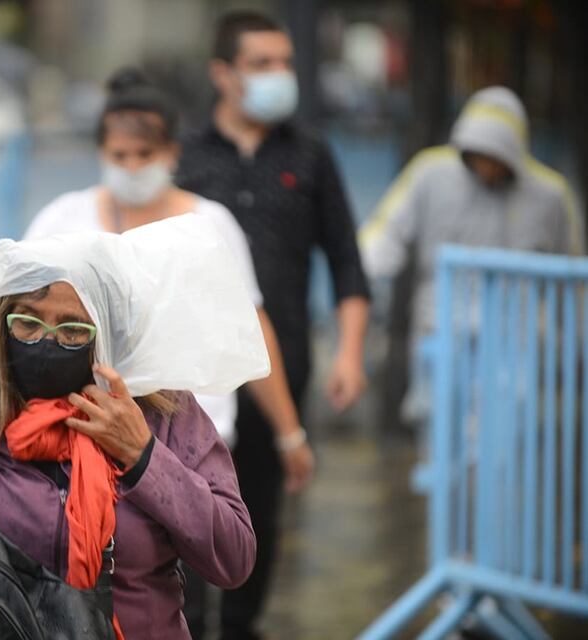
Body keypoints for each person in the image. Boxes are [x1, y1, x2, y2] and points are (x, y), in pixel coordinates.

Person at [0, 215, 264, 639]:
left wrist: (143, 456)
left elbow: (233, 559)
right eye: (28, 323)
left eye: (74, 331)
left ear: (108, 332)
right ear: (0, 323)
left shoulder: (162, 413)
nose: (47, 342)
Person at [26, 67, 313, 638]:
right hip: (78, 452)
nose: (132, 167)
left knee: (187, 604)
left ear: (171, 152)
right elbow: (25, 322)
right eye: (120, 154)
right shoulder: (64, 220)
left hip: (188, 452)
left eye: (145, 153)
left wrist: (289, 432)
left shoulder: (209, 228)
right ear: (102, 153)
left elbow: (250, 333)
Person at [174, 10, 372, 639]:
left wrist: (349, 354)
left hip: (281, 366)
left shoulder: (311, 156)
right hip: (195, 373)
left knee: (258, 512)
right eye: (262, 64)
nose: (278, 76)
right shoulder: (185, 157)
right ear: (223, 74)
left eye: (285, 63)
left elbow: (347, 261)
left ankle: (241, 626)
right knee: (182, 505)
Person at [360, 86, 584, 421]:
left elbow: (575, 280)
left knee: (503, 441)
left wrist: (573, 342)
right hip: (440, 329)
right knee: (438, 435)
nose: (487, 165)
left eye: (496, 157)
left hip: (514, 340)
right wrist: (356, 287)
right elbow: (382, 235)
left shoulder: (551, 195)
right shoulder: (430, 173)